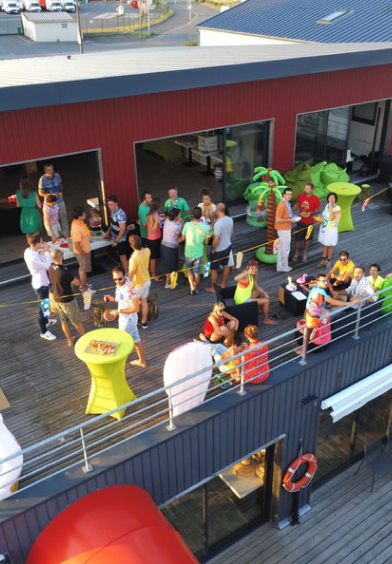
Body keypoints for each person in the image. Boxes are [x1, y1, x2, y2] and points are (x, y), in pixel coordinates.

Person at [295, 273, 358, 355]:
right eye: (323, 281)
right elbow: (335, 302)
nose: (326, 282)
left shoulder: (316, 289)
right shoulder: (321, 297)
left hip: (314, 319)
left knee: (306, 328)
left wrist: (332, 291)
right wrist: (349, 303)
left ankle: (304, 348)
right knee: (340, 308)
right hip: (319, 330)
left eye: (326, 280)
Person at [105, 266, 147, 367]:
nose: (118, 281)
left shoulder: (131, 288)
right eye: (115, 279)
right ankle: (142, 361)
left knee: (120, 344)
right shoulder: (120, 285)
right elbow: (123, 299)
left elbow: (136, 308)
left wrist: (118, 311)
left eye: (120, 278)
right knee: (136, 340)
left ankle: (117, 366)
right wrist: (112, 299)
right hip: (127, 319)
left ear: (125, 276)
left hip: (128, 320)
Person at [24, 233, 57, 341]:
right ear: (38, 243)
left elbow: (39, 255)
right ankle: (43, 331)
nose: (43, 243)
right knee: (43, 308)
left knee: (46, 304)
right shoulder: (33, 257)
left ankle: (47, 321)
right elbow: (48, 266)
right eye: (41, 242)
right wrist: (47, 251)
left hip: (42, 282)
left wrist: (41, 250)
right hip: (41, 284)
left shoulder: (28, 251)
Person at [49, 249, 85, 347]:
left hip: (57, 299)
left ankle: (70, 340)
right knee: (76, 321)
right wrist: (82, 283)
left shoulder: (51, 268)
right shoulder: (64, 271)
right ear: (61, 257)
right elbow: (76, 282)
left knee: (63, 321)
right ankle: (85, 338)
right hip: (68, 300)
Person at [234, 260, 276, 325]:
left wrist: (265, 293)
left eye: (256, 268)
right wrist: (247, 272)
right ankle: (266, 320)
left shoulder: (253, 274)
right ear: (248, 267)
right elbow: (235, 278)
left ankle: (262, 309)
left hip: (247, 295)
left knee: (261, 293)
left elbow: (256, 286)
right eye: (252, 268)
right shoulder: (245, 275)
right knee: (266, 301)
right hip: (242, 300)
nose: (255, 270)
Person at [181, 206, 210, 295]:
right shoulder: (205, 227)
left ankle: (191, 286)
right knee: (197, 273)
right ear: (201, 216)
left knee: (189, 270)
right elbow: (206, 242)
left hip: (188, 253)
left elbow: (182, 238)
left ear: (192, 215)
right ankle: (196, 288)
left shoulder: (187, 225)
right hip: (199, 253)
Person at [205, 202, 233, 292]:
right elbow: (231, 232)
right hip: (228, 246)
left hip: (219, 249)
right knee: (225, 266)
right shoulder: (229, 219)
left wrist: (213, 249)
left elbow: (216, 240)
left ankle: (213, 288)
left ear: (217, 210)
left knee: (213, 269)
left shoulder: (218, 224)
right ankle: (223, 284)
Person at [38, 163, 69, 237]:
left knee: (64, 217)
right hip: (50, 203)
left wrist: (61, 192)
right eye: (49, 170)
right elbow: (40, 193)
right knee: (53, 221)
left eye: (52, 169)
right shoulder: (42, 179)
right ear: (45, 170)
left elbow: (60, 186)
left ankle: (66, 236)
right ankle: (55, 236)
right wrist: (51, 195)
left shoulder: (57, 175)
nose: (51, 171)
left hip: (60, 200)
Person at [292, 182, 321, 262]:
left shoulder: (315, 199)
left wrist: (310, 213)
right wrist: (290, 211)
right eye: (305, 188)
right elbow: (297, 204)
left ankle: (305, 253)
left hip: (310, 223)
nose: (305, 190)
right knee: (298, 239)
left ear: (312, 190)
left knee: (307, 239)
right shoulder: (300, 196)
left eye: (308, 189)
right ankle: (296, 253)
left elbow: (318, 210)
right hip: (300, 221)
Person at [128, 234, 151, 329]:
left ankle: (132, 322)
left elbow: (131, 273)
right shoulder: (147, 250)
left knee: (131, 303)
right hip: (147, 280)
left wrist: (126, 284)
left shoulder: (134, 258)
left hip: (137, 284)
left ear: (131, 245)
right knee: (144, 301)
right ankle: (144, 322)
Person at [275, 188, 296, 273]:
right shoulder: (282, 205)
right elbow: (278, 219)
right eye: (287, 194)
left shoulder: (287, 203)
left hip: (286, 227)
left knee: (281, 248)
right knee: (286, 248)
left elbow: (287, 216)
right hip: (283, 228)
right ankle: (284, 266)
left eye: (290, 194)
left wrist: (291, 219)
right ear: (283, 195)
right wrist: (290, 220)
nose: (289, 196)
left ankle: (280, 266)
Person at [105, 195, 129, 272]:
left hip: (121, 240)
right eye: (108, 204)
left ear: (116, 203)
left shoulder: (121, 214)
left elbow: (123, 230)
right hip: (115, 238)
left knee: (123, 258)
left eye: (112, 204)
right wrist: (108, 230)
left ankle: (127, 276)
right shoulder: (112, 211)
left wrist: (116, 241)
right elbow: (112, 223)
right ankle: (124, 274)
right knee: (120, 257)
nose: (110, 206)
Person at [160, 207, 182, 289]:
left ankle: (167, 282)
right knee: (173, 266)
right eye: (179, 215)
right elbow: (181, 234)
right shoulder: (177, 226)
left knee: (167, 265)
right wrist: (182, 222)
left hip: (163, 246)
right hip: (171, 248)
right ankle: (172, 283)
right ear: (176, 217)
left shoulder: (167, 220)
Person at [318, 192, 341, 267]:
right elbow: (325, 216)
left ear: (335, 199)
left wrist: (331, 208)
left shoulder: (337, 208)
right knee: (325, 244)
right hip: (324, 227)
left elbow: (331, 218)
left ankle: (329, 260)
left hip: (331, 229)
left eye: (333, 198)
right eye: (330, 198)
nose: (331, 199)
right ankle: (324, 259)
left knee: (330, 245)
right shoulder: (327, 205)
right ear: (327, 199)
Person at [146, 197, 163, 282]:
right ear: (158, 205)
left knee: (156, 257)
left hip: (158, 237)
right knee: (154, 258)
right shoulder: (151, 215)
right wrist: (156, 221)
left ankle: (153, 272)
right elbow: (152, 230)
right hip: (153, 239)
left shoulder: (155, 213)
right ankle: (153, 275)